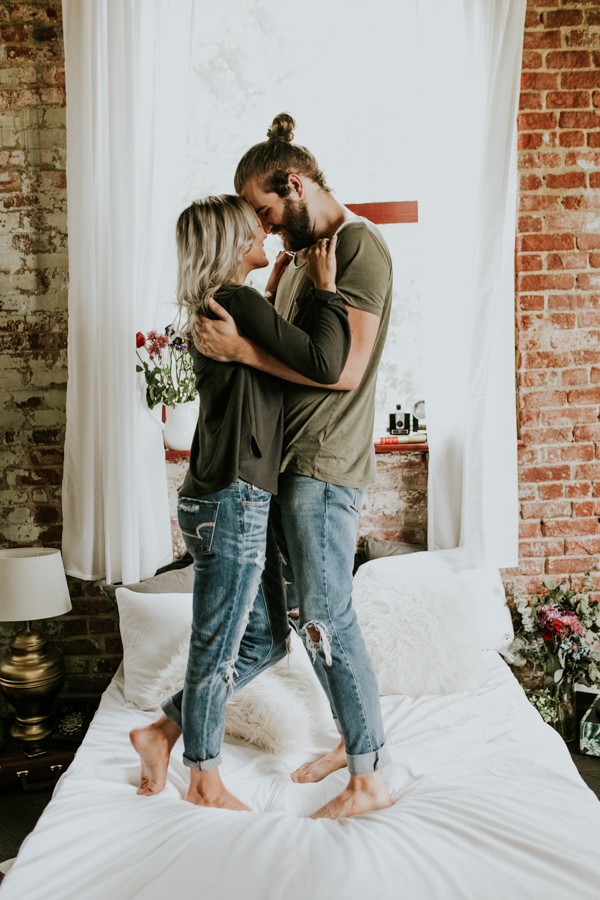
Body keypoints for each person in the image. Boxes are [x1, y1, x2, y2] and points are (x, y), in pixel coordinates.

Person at [193, 113, 395, 819]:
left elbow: (340, 370)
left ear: (298, 184)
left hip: (323, 463)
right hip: (285, 463)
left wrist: (243, 352)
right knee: (306, 617)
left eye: (268, 213)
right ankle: (354, 737)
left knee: (328, 616)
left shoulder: (360, 248)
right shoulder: (296, 263)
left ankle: (371, 778)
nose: (266, 228)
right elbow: (286, 364)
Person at [130, 193, 351, 811]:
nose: (264, 228)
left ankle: (161, 731)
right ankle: (203, 779)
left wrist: (278, 281)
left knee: (263, 643)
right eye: (251, 225)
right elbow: (324, 360)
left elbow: (266, 368)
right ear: (229, 243)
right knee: (217, 646)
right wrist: (327, 289)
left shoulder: (220, 304)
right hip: (234, 500)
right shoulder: (239, 302)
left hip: (221, 498)